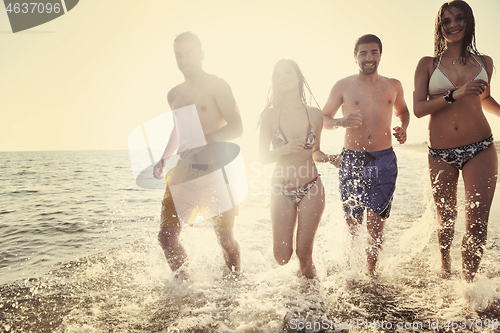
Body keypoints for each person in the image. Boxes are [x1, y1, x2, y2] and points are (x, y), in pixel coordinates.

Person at [414, 0, 499, 283]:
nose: (452, 25)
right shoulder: (428, 64)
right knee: (446, 222)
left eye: (458, 18)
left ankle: (468, 289)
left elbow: (484, 99)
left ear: (469, 21)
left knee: (476, 225)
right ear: (440, 28)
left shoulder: (484, 62)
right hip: (440, 153)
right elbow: (419, 109)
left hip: (481, 148)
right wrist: (455, 94)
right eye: (446, 21)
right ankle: (445, 267)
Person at [153, 32, 243, 277]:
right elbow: (178, 128)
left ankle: (235, 282)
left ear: (202, 55)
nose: (184, 60)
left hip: (217, 169)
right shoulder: (173, 94)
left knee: (224, 239)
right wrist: (164, 157)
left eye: (189, 54)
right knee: (166, 237)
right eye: (178, 55)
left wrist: (206, 139)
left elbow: (237, 126)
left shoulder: (217, 85)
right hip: (183, 169)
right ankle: (184, 286)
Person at [322, 34, 410, 276]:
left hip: (384, 160)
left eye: (373, 52)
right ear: (355, 57)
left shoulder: (393, 85)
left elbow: (403, 111)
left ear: (381, 55)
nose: (368, 57)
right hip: (352, 159)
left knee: (376, 227)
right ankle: (351, 273)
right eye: (363, 53)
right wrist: (340, 121)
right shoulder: (343, 85)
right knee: (353, 224)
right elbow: (323, 118)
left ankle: (371, 274)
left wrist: (403, 128)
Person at [258, 59, 336, 279]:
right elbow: (262, 157)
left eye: (288, 73)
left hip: (311, 186)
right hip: (281, 188)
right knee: (281, 257)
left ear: (298, 77)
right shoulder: (270, 116)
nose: (283, 77)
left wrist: (330, 158)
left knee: (303, 254)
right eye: (278, 74)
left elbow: (315, 151)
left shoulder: (315, 115)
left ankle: (311, 298)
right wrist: (282, 150)